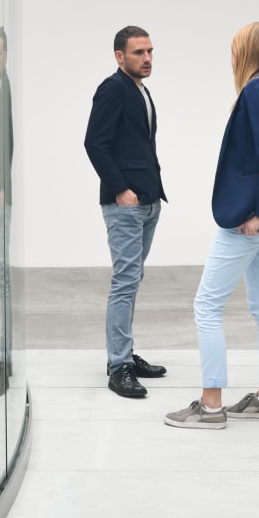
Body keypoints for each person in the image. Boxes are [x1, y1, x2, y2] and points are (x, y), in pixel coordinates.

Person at [165, 23, 259, 429]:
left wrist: (258, 212)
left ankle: (210, 405)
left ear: (246, 53)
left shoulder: (256, 90)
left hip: (252, 220)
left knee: (206, 306)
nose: (230, 59)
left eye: (234, 50)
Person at [83, 26, 168, 399]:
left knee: (132, 280)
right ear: (120, 56)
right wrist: (121, 189)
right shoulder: (113, 88)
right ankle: (118, 366)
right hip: (126, 204)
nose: (147, 58)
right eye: (138, 52)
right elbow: (94, 143)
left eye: (150, 51)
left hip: (148, 201)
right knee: (124, 281)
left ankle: (125, 355)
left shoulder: (141, 90)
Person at [0, 27, 14, 398]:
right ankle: (4, 354)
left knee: (5, 279)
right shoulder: (3, 88)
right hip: (3, 191)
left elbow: (7, 144)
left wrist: (1, 188)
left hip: (5, 195)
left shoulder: (8, 88)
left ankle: (6, 357)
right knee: (3, 278)